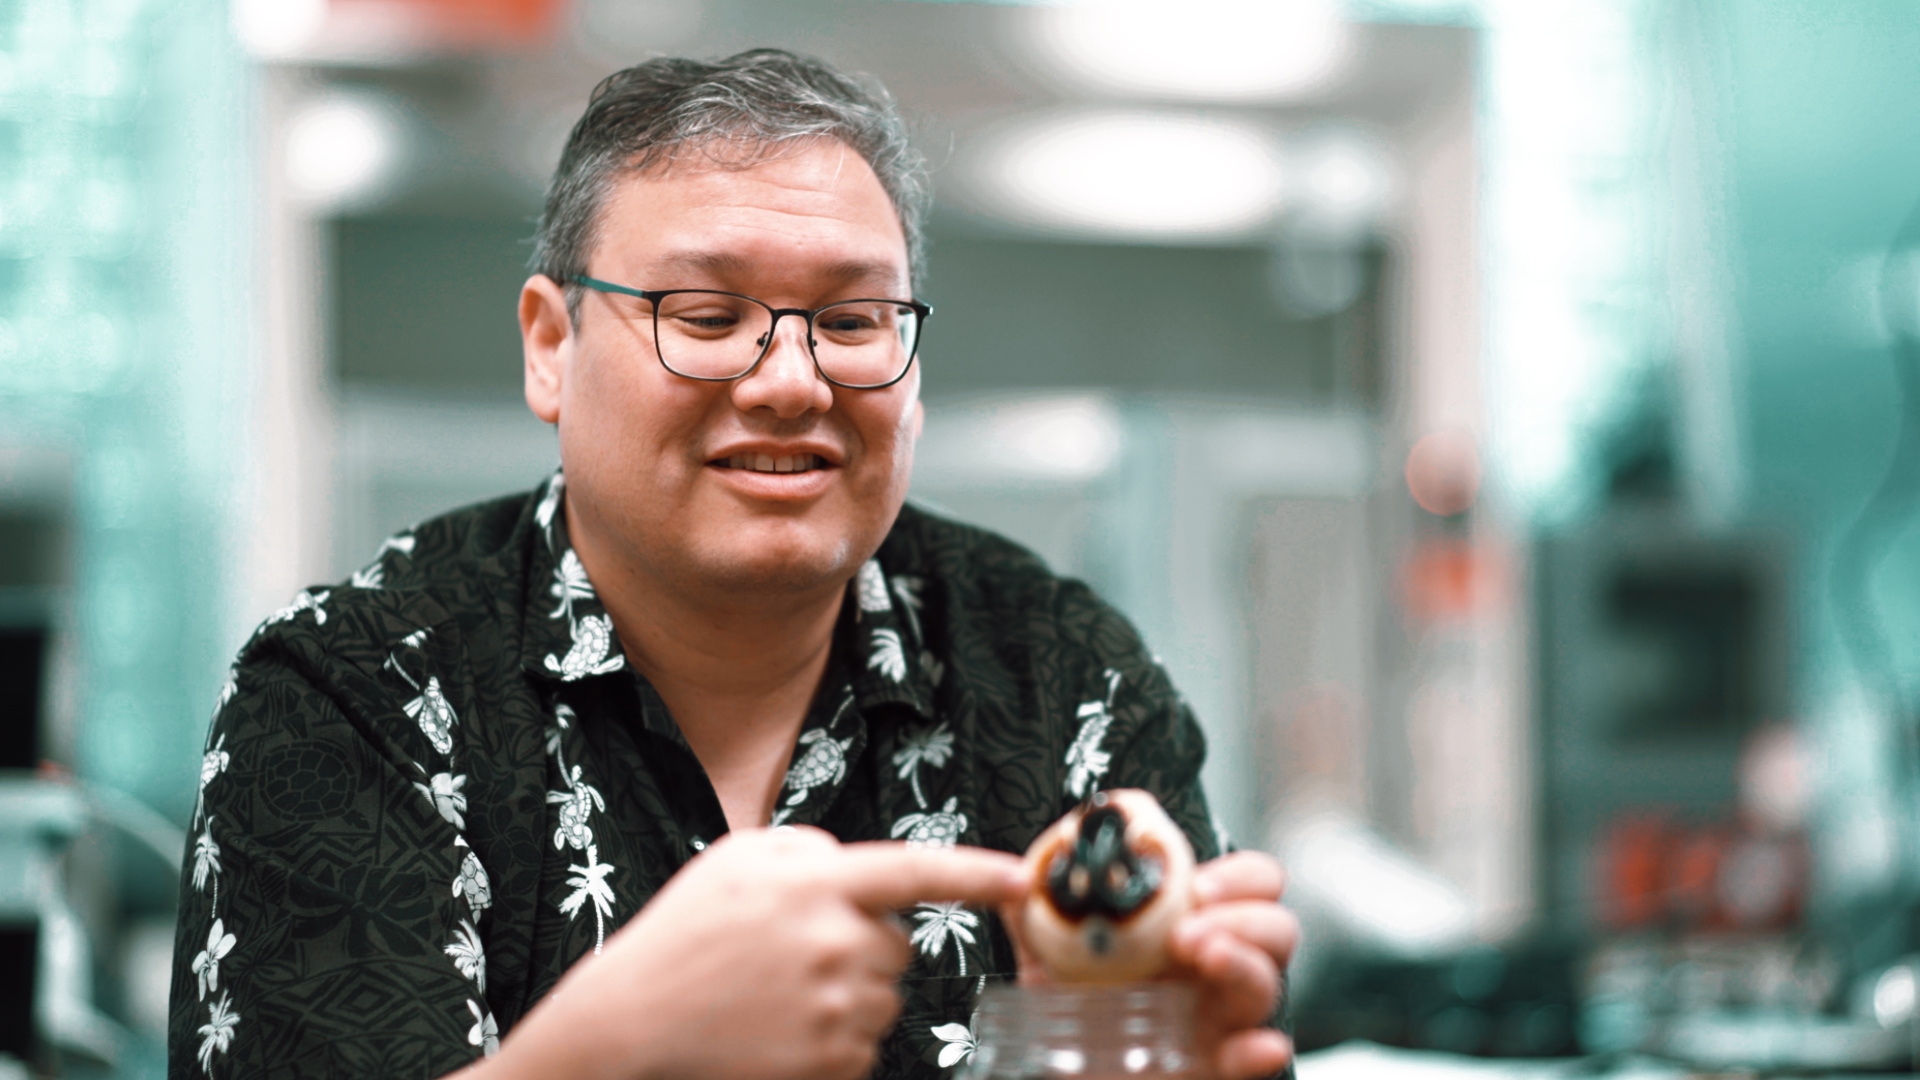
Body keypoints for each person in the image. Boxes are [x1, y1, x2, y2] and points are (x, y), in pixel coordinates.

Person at [168, 49, 1298, 1080]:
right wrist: (615, 1052)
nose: (791, 381)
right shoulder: (351, 699)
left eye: (853, 321)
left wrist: (1102, 1053)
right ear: (551, 346)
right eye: (706, 315)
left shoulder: (1063, 678)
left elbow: (1119, 1050)